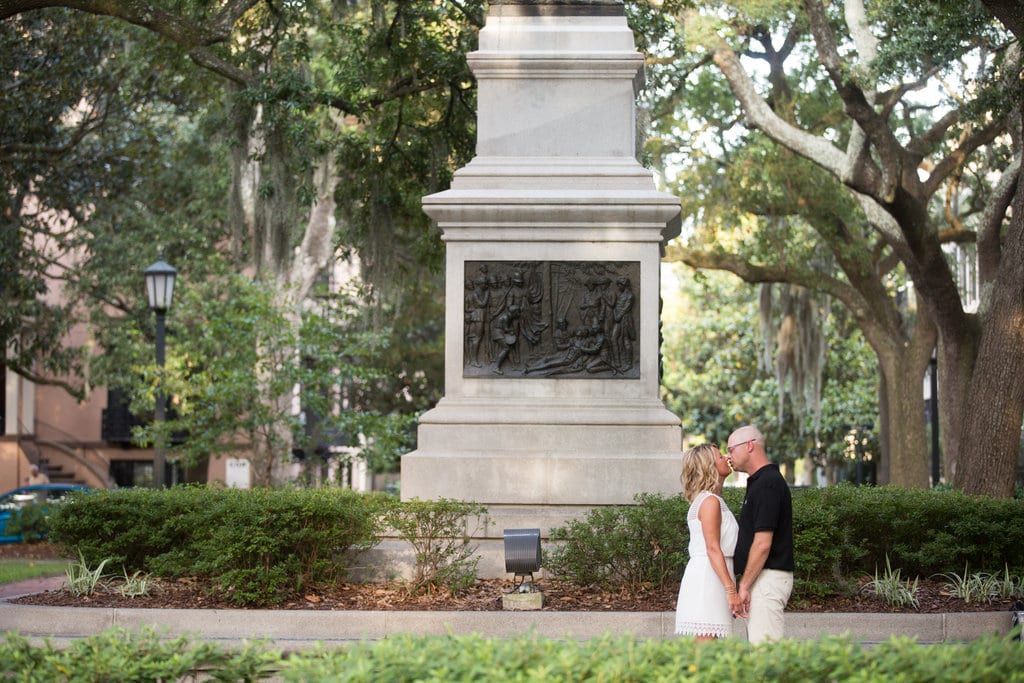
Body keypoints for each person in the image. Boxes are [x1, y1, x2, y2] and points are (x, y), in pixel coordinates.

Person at [726, 425, 794, 644]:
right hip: (762, 578)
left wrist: (744, 585)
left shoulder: (768, 483)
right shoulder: (760, 482)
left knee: (766, 657)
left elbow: (763, 543)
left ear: (749, 446)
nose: (729, 456)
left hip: (767, 579)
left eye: (731, 449)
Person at [674, 443, 742, 640]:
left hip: (714, 574)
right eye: (720, 456)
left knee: (707, 645)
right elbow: (712, 549)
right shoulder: (709, 501)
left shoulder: (712, 500)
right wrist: (731, 591)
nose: (727, 458)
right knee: (706, 646)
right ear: (709, 466)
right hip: (708, 577)